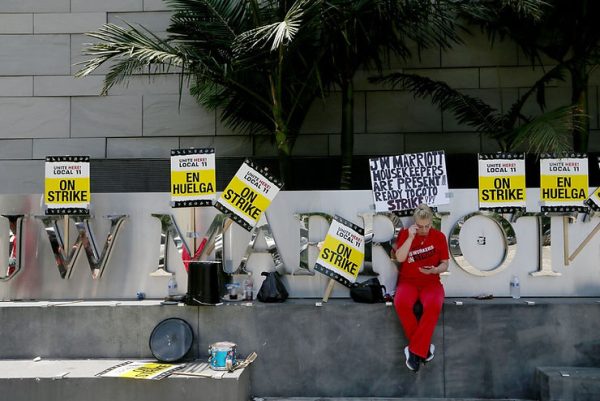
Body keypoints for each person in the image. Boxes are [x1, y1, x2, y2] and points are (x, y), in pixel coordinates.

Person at [393, 204, 449, 373]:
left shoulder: (439, 237)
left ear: (432, 222)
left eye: (427, 226)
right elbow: (400, 258)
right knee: (401, 303)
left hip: (431, 281)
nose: (424, 229)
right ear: (414, 222)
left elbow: (445, 264)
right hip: (408, 281)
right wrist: (410, 238)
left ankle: (413, 351)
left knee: (433, 305)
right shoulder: (405, 234)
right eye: (420, 226)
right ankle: (422, 351)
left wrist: (435, 270)